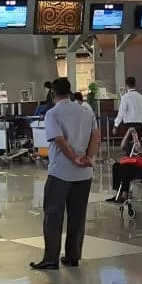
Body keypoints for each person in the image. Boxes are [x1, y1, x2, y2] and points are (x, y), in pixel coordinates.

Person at [31, 78, 100, 270]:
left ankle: (51, 258)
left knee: (53, 215)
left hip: (60, 172)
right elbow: (96, 136)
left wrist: (73, 158)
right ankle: (73, 256)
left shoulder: (53, 113)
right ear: (70, 92)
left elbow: (59, 140)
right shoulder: (86, 111)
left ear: (53, 93)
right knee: (78, 215)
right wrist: (87, 157)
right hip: (84, 175)